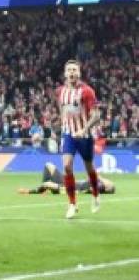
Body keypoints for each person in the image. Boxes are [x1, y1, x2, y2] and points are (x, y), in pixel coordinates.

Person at [57, 60, 101, 219]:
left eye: (74, 70)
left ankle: (96, 195)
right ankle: (72, 204)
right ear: (65, 73)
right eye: (69, 70)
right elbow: (62, 109)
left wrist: (84, 129)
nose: (72, 72)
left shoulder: (87, 91)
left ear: (79, 73)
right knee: (67, 166)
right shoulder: (60, 91)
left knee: (89, 167)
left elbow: (96, 115)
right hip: (68, 133)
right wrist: (62, 126)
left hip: (85, 135)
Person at [17, 162, 115, 195]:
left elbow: (109, 186)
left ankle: (31, 191)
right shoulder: (95, 181)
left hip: (65, 187)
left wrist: (58, 188)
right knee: (48, 165)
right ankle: (44, 190)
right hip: (67, 181)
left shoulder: (95, 187)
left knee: (47, 184)